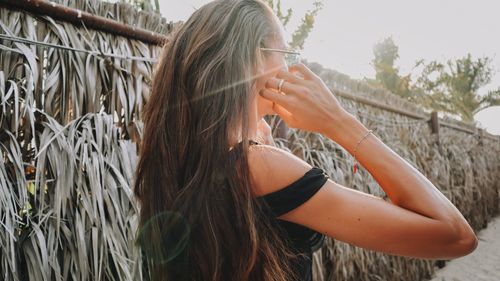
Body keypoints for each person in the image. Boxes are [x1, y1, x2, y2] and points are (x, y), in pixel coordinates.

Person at [133, 0, 478, 280]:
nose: (292, 71)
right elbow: (453, 234)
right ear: (250, 62)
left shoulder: (173, 162)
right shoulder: (259, 167)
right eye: (286, 57)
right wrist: (339, 121)